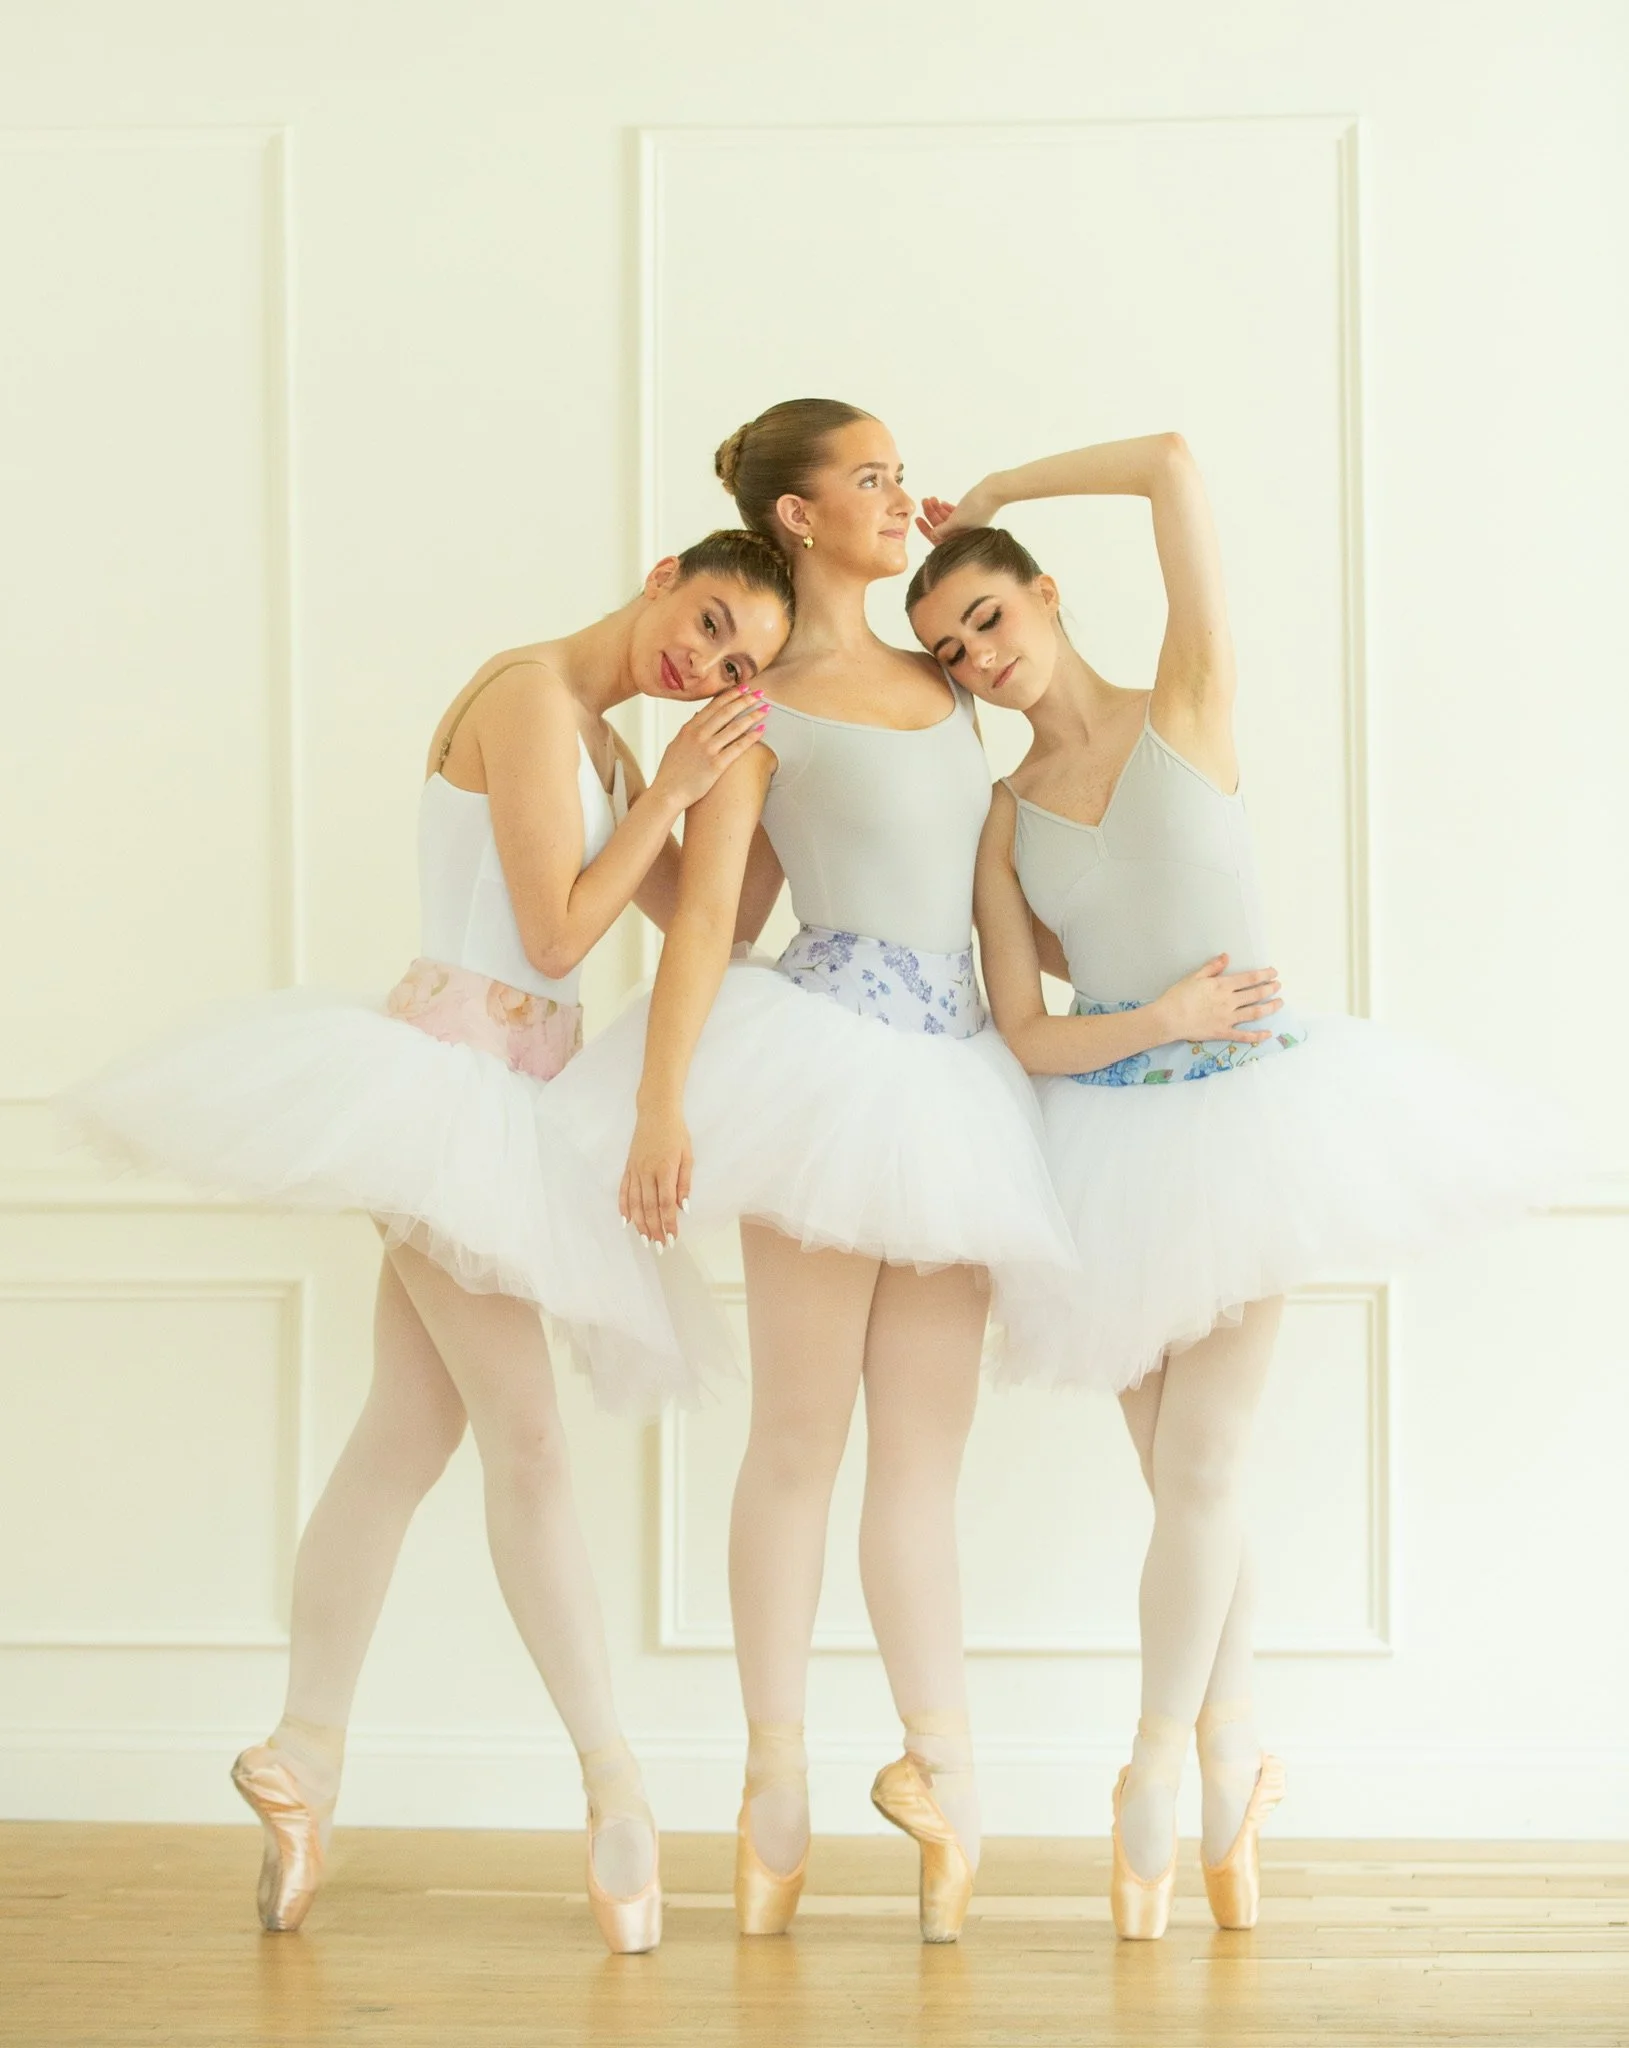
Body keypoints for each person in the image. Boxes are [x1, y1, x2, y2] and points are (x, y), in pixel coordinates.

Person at [70, 530, 794, 1953]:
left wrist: (734, 768)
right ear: (661, 574)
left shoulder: (604, 745)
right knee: (525, 1446)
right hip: (448, 1093)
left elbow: (734, 911)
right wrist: (675, 796)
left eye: (733, 664)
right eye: (707, 623)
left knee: (403, 1437)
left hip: (511, 1109)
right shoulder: (531, 698)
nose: (698, 663)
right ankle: (616, 1797)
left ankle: (303, 1759)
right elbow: (558, 926)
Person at [907, 433, 1561, 1939]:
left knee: (1200, 1479)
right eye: (950, 651)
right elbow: (1025, 1031)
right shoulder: (1004, 820)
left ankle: (1147, 1775)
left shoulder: (1185, 701)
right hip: (1108, 1140)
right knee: (1183, 1488)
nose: (980, 658)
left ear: (1048, 599)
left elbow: (1176, 468)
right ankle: (1231, 1756)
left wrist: (996, 492)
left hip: (1259, 1125)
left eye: (992, 620)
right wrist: (1160, 1020)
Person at [544, 399, 1077, 1944]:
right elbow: (716, 911)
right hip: (831, 1064)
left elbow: (994, 877)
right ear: (797, 516)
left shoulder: (944, 672)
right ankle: (773, 1789)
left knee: (924, 1457)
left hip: (963, 1071)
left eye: (904, 475)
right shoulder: (758, 701)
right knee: (799, 1433)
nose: (900, 495)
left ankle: (946, 1784)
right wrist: (661, 1101)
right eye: (871, 476)